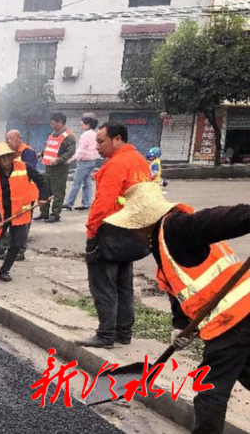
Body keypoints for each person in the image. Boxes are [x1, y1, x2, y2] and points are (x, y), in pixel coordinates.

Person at [102, 181, 250, 434]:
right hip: (238, 317)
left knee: (209, 390)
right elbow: (180, 290)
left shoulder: (176, 227)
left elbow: (221, 219)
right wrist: (180, 326)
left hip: (234, 320)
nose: (132, 232)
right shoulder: (160, 243)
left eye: (133, 226)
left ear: (145, 221)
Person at [76, 122, 152, 349]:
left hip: (110, 231)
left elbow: (103, 204)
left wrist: (92, 232)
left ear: (117, 139)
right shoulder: (140, 161)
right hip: (133, 231)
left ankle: (105, 335)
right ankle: (123, 332)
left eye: (101, 141)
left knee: (103, 285)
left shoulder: (116, 164)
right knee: (123, 285)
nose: (97, 146)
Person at [0, 143, 50, 284]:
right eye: (1, 159)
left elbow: (41, 181)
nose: (4, 161)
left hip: (20, 214)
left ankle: (4, 271)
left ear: (10, 157)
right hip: (1, 215)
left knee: (16, 244)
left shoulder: (24, 167)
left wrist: (43, 197)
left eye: (6, 158)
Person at [1, 129, 38, 262]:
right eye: (7, 139)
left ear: (18, 139)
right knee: (13, 223)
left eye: (10, 139)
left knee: (23, 224)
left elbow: (30, 172)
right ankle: (11, 250)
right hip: (14, 195)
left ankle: (20, 251)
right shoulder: (11, 153)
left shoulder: (27, 152)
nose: (8, 142)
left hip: (26, 194)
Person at [38, 112, 76, 223]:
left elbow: (70, 152)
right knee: (45, 190)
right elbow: (51, 147)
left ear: (60, 122)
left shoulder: (68, 136)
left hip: (60, 168)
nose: (52, 125)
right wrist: (42, 153)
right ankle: (44, 213)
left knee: (58, 192)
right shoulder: (53, 134)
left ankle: (55, 214)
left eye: (53, 123)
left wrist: (58, 160)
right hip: (48, 167)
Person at [65, 114, 101, 211]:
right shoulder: (95, 134)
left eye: (82, 124)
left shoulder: (85, 135)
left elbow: (80, 149)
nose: (81, 126)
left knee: (76, 182)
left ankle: (69, 203)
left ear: (87, 125)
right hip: (93, 160)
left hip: (84, 161)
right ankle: (87, 203)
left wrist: (71, 159)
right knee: (87, 182)